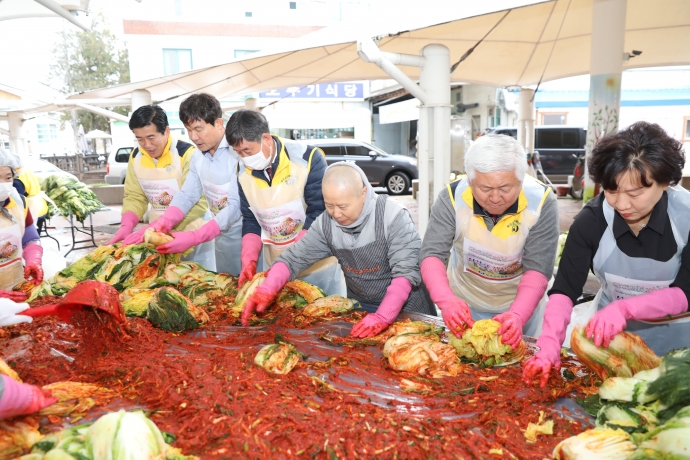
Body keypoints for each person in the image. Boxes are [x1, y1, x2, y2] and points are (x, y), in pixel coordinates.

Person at [523, 122, 690, 387]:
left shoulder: (686, 217)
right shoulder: (592, 220)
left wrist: (625, 307)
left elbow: (686, 291)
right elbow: (565, 290)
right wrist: (549, 344)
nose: (622, 204)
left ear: (665, 182)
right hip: (611, 349)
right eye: (612, 191)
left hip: (680, 350)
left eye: (635, 193)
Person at [240, 162, 435, 331]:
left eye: (342, 206)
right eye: (329, 205)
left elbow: (406, 274)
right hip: (363, 307)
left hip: (407, 310)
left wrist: (383, 316)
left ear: (363, 193)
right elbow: (293, 259)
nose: (336, 214)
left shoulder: (393, 216)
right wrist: (267, 289)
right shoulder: (326, 224)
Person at [419, 134, 559, 346]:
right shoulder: (452, 196)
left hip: (521, 307)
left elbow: (538, 269)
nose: (495, 198)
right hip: (466, 306)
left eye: (505, 189)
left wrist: (518, 315)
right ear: (469, 179)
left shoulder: (541, 202)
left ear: (521, 180)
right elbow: (431, 255)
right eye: (484, 189)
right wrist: (446, 301)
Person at [227, 109, 345, 296]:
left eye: (247, 150)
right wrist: (249, 259)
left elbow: (319, 211)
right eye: (238, 152)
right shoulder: (242, 171)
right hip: (274, 262)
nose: (244, 158)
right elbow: (250, 218)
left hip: (317, 266)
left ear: (266, 139)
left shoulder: (307, 158)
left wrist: (291, 259)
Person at [141, 94, 242, 275]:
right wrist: (166, 220)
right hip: (220, 236)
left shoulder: (238, 153)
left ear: (219, 123)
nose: (193, 137)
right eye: (188, 130)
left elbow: (236, 207)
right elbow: (188, 194)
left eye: (199, 129)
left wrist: (195, 236)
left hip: (247, 237)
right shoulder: (197, 155)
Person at [106, 105, 215, 269]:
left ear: (166, 131)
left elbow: (197, 203)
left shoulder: (188, 154)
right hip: (156, 235)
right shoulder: (136, 157)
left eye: (151, 137)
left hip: (191, 232)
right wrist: (127, 225)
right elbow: (135, 196)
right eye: (140, 139)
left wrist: (160, 229)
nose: (147, 144)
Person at [0, 149, 43, 300]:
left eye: (8, 177)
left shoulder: (18, 203)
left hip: (17, 286)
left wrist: (33, 260)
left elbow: (30, 239)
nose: (3, 184)